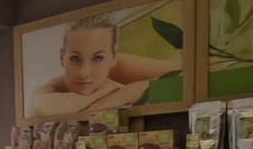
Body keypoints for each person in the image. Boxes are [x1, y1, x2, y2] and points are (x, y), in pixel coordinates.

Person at [29, 14, 180, 116]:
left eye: (97, 58)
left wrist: (124, 94)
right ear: (62, 57)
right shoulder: (53, 87)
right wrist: (105, 90)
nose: (83, 73)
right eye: (75, 58)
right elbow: (39, 110)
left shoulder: (122, 67)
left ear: (113, 57)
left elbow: (187, 80)